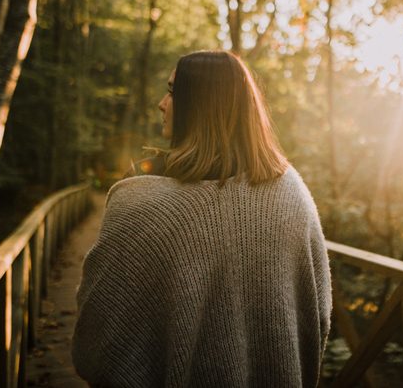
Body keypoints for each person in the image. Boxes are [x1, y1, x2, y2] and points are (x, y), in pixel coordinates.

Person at [72, 50, 332, 387]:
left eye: (173, 92)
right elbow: (318, 317)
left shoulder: (139, 207)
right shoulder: (291, 192)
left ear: (201, 106)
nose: (161, 104)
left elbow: (96, 342)